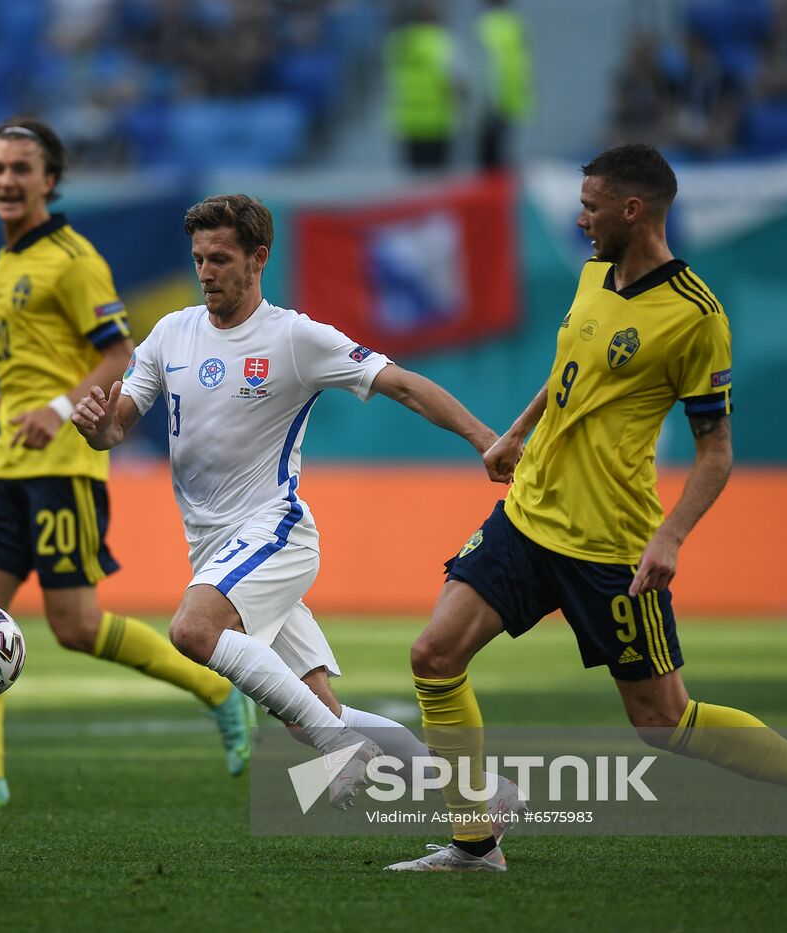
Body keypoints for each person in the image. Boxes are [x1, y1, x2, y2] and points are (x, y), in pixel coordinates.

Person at [388, 144, 787, 874]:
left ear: (634, 210)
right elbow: (569, 370)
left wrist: (672, 537)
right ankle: (474, 842)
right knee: (434, 654)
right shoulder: (593, 275)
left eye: (590, 207)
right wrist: (518, 433)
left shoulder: (695, 316)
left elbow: (715, 449)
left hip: (610, 545)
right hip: (528, 518)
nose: (579, 218)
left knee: (663, 719)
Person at [72, 193, 524, 818]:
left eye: (221, 258)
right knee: (313, 707)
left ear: (259, 259)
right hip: (212, 545)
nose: (206, 271)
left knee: (194, 631)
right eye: (199, 258)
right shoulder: (171, 333)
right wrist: (95, 427)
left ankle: (341, 748)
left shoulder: (294, 338)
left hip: (274, 532)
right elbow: (117, 427)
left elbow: (403, 385)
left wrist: (484, 438)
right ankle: (481, 798)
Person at [0, 118, 251, 808]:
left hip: (63, 462)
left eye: (20, 169)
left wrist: (57, 413)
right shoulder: (5, 259)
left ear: (49, 180)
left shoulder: (71, 257)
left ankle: (214, 685)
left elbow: (117, 353)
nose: (6, 180)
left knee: (76, 627)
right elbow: (40, 369)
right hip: (7, 459)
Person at [385, 0, 463, 172]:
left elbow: (392, 78)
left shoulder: (397, 43)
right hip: (438, 122)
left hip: (407, 122)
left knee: (414, 183)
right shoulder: (443, 43)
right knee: (437, 181)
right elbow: (457, 85)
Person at [475, 0, 533, 170]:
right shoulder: (514, 23)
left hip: (500, 102)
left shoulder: (487, 24)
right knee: (496, 159)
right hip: (501, 102)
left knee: (496, 160)